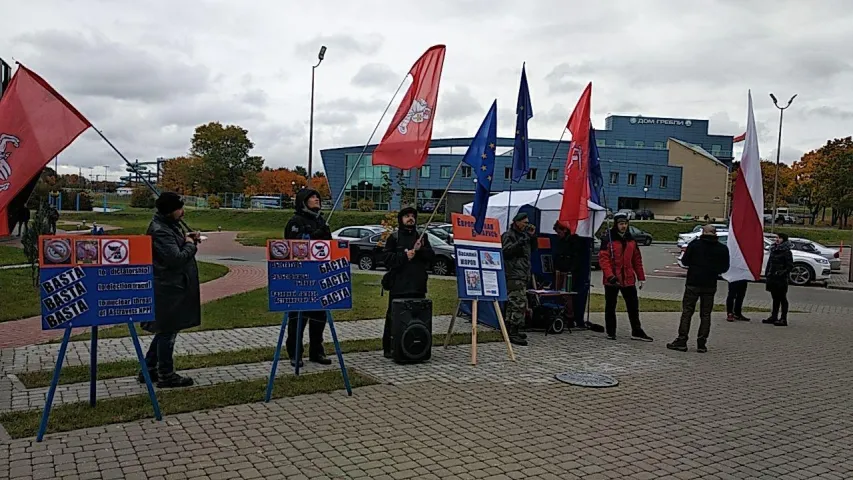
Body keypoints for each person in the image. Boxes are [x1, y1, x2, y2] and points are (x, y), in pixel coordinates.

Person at [140, 192, 201, 388]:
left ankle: (148, 369)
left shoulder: (168, 226)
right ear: (169, 210)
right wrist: (191, 245)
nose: (182, 212)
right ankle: (166, 374)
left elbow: (175, 246)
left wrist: (187, 238)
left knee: (165, 330)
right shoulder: (160, 230)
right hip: (167, 287)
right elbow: (175, 258)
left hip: (172, 285)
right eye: (179, 209)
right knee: (168, 332)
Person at [284, 188, 333, 367]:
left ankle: (316, 351)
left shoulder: (320, 220)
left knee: (319, 317)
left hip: (319, 274)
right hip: (299, 276)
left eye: (317, 197)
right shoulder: (295, 221)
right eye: (312, 197)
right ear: (303, 201)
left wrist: (326, 237)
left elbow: (327, 248)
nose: (316, 200)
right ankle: (295, 353)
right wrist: (313, 237)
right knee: (298, 317)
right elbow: (294, 245)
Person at [380, 206, 434, 358]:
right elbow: (387, 260)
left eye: (412, 216)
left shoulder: (422, 237)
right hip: (399, 286)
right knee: (394, 318)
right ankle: (390, 347)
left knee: (417, 318)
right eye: (407, 216)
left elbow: (431, 258)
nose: (410, 218)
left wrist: (421, 250)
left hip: (417, 286)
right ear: (401, 219)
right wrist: (405, 257)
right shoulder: (394, 238)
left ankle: (415, 347)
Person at [666, 225, 730, 353]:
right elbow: (725, 267)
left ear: (703, 232)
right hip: (710, 284)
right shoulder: (722, 248)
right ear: (715, 233)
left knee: (687, 312)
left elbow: (685, 261)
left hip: (693, 282)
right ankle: (702, 343)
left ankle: (682, 340)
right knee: (706, 314)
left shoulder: (695, 245)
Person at [599, 212, 653, 341]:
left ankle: (637, 330)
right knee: (611, 306)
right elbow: (603, 260)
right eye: (621, 224)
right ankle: (611, 331)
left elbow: (637, 260)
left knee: (633, 306)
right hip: (612, 279)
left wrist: (641, 277)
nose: (623, 226)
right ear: (616, 224)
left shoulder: (631, 240)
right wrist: (610, 276)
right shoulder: (608, 239)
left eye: (625, 223)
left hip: (628, 278)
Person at [501, 212, 537, 346]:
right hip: (513, 274)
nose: (526, 225)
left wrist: (532, 238)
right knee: (518, 302)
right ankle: (513, 331)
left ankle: (511, 328)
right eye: (524, 222)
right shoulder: (509, 235)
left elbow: (533, 250)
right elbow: (506, 251)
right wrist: (520, 242)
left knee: (515, 303)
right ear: (517, 222)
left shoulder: (524, 236)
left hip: (523, 273)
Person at [763, 232, 793, 327]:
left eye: (779, 238)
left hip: (781, 279)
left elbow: (789, 266)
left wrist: (781, 273)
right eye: (776, 237)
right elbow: (769, 263)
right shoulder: (773, 250)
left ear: (783, 239)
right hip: (772, 277)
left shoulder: (787, 252)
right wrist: (767, 273)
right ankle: (774, 316)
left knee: (782, 298)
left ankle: (783, 318)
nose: (777, 239)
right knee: (775, 298)